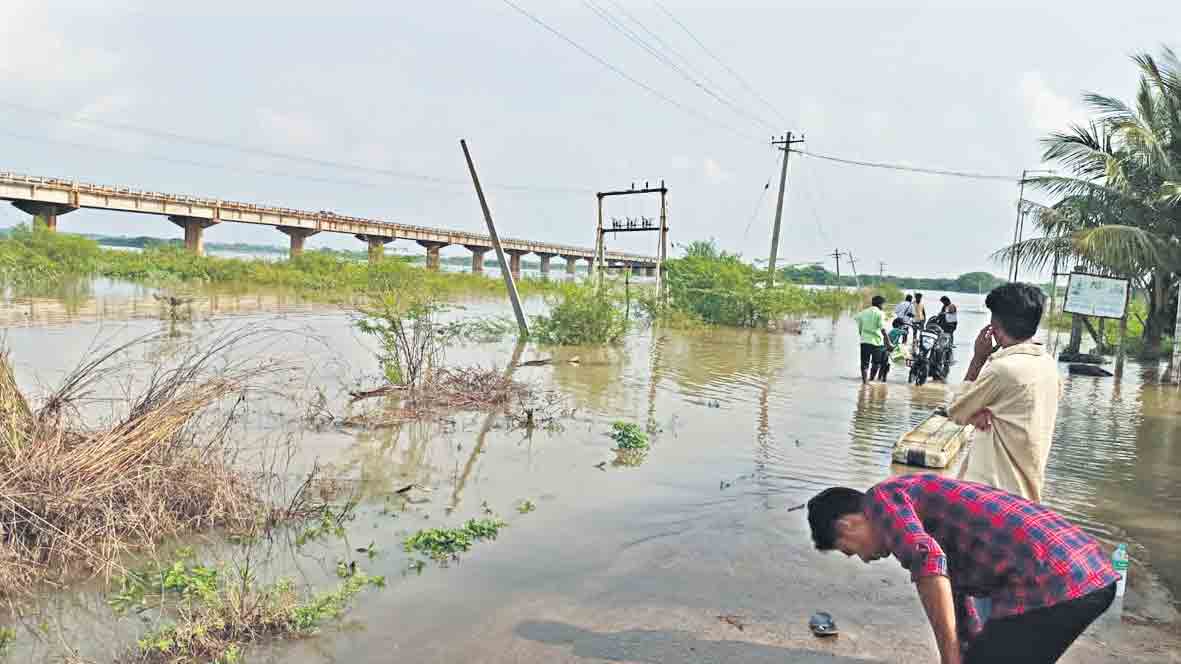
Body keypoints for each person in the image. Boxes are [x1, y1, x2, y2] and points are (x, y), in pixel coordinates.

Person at [806, 475, 1118, 664]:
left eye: (850, 550)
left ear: (848, 524)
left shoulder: (881, 500)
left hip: (1054, 580)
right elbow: (954, 595)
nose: (862, 558)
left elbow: (927, 563)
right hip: (1086, 572)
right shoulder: (916, 506)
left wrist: (949, 658)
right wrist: (960, 653)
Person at [946, 283, 1061, 502]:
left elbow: (955, 411)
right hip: (1025, 495)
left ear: (995, 328)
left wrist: (977, 360)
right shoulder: (1048, 365)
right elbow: (1019, 410)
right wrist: (978, 413)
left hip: (991, 495)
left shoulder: (1002, 369)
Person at [854, 295, 893, 384]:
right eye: (883, 305)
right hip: (877, 342)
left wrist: (862, 335)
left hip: (864, 341)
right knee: (876, 363)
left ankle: (865, 383)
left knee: (864, 364)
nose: (883, 307)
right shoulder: (880, 313)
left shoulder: (863, 312)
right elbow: (883, 329)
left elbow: (859, 325)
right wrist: (889, 343)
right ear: (880, 304)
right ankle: (871, 380)